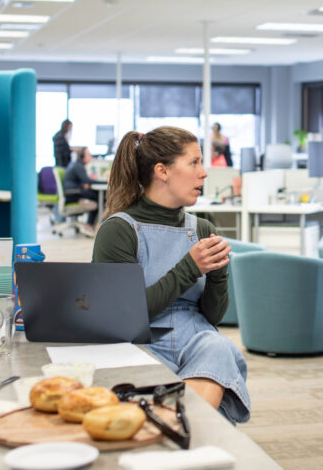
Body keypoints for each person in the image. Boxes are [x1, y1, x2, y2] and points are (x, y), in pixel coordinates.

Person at [91, 126, 250, 424]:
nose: (204, 173)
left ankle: (170, 428)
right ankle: (181, 430)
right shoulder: (118, 230)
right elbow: (124, 315)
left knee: (217, 345)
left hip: (195, 339)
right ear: (162, 171)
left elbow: (212, 317)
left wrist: (218, 273)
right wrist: (190, 267)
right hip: (141, 340)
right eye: (194, 162)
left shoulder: (202, 228)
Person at [62, 147, 99, 236]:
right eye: (89, 155)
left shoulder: (75, 164)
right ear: (82, 156)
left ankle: (90, 225)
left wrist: (84, 184)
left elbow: (83, 181)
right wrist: (104, 182)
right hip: (73, 193)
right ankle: (89, 225)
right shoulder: (78, 166)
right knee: (98, 197)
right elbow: (87, 181)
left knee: (96, 195)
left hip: (73, 192)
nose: (91, 157)